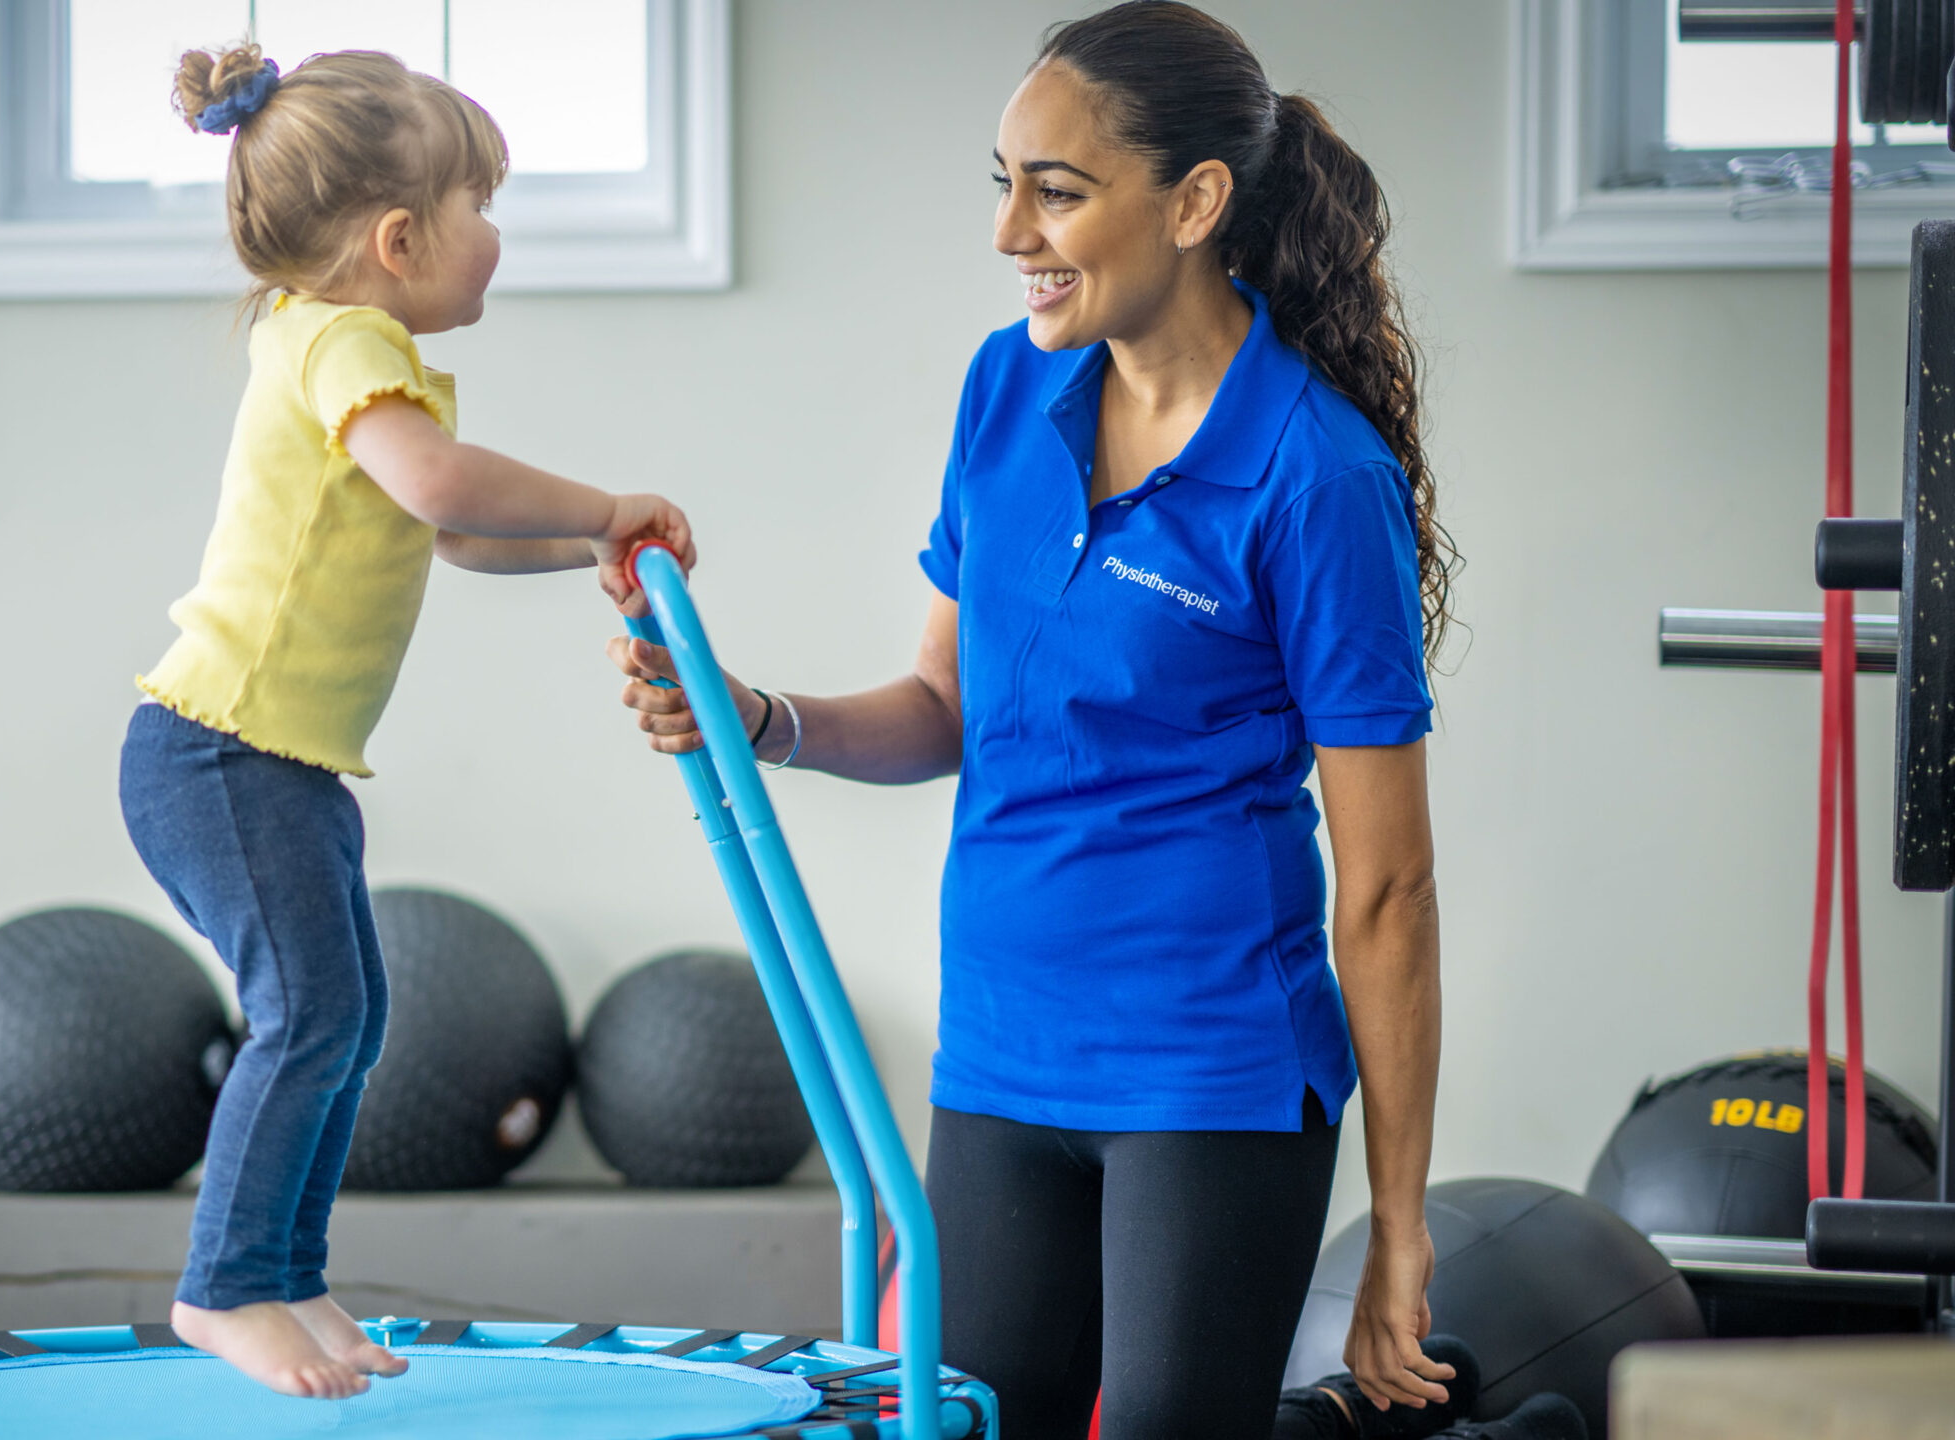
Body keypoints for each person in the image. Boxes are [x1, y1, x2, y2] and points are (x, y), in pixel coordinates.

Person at [610, 7, 1572, 1438]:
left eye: (1054, 190)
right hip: (1000, 1049)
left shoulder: (1315, 480)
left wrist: (1400, 1228)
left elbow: (1387, 893)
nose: (1010, 232)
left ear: (1194, 203)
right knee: (988, 1424)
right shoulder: (1010, 387)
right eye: (999, 182)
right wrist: (759, 718)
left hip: (1211, 1067)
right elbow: (947, 704)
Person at [120, 42, 693, 1402]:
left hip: (284, 765)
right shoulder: (340, 339)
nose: (495, 238)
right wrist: (604, 504)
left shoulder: (341, 349)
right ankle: (222, 1289)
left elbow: (447, 531)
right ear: (396, 238)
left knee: (349, 1018)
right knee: (308, 1012)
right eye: (480, 208)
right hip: (220, 752)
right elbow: (444, 484)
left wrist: (576, 554)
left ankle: (286, 1270)